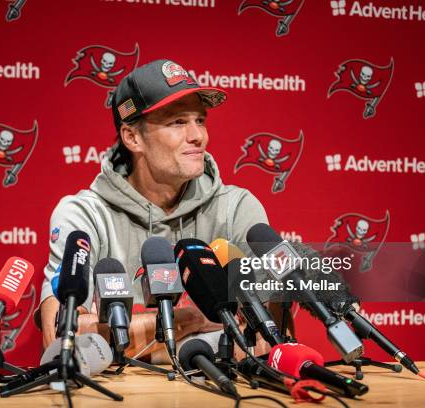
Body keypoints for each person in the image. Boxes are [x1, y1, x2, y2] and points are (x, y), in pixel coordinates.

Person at [36, 59, 283, 358]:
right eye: (177, 122)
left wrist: (122, 338)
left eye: (200, 120)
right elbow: (63, 337)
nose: (198, 136)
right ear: (132, 137)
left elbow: (264, 336)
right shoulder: (83, 215)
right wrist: (188, 321)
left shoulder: (236, 208)